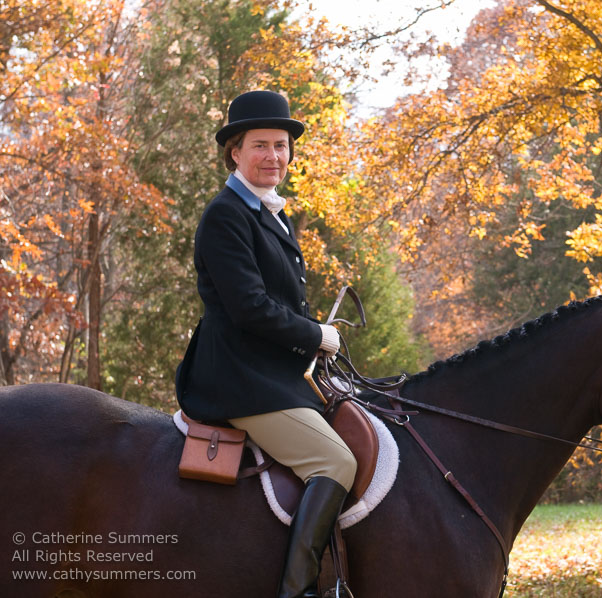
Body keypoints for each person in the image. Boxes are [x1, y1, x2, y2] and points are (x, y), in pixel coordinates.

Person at [175, 90, 357, 598]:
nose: (273, 156)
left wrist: (313, 338)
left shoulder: (273, 214)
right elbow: (250, 308)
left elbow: (281, 302)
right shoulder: (226, 214)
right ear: (235, 151)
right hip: (238, 377)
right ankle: (296, 591)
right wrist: (316, 334)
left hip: (274, 372)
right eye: (261, 145)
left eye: (281, 146)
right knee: (336, 462)